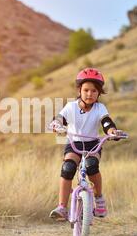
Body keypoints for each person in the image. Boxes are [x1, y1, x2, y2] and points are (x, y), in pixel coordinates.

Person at [48, 68, 125, 221]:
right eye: (86, 90)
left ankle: (99, 198)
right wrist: (56, 124)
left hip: (93, 144)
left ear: (99, 93)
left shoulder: (100, 108)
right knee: (68, 167)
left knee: (91, 166)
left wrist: (112, 131)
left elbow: (106, 122)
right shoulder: (71, 107)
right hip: (74, 144)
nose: (90, 94)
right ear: (79, 90)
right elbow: (59, 118)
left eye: (94, 91)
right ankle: (62, 207)